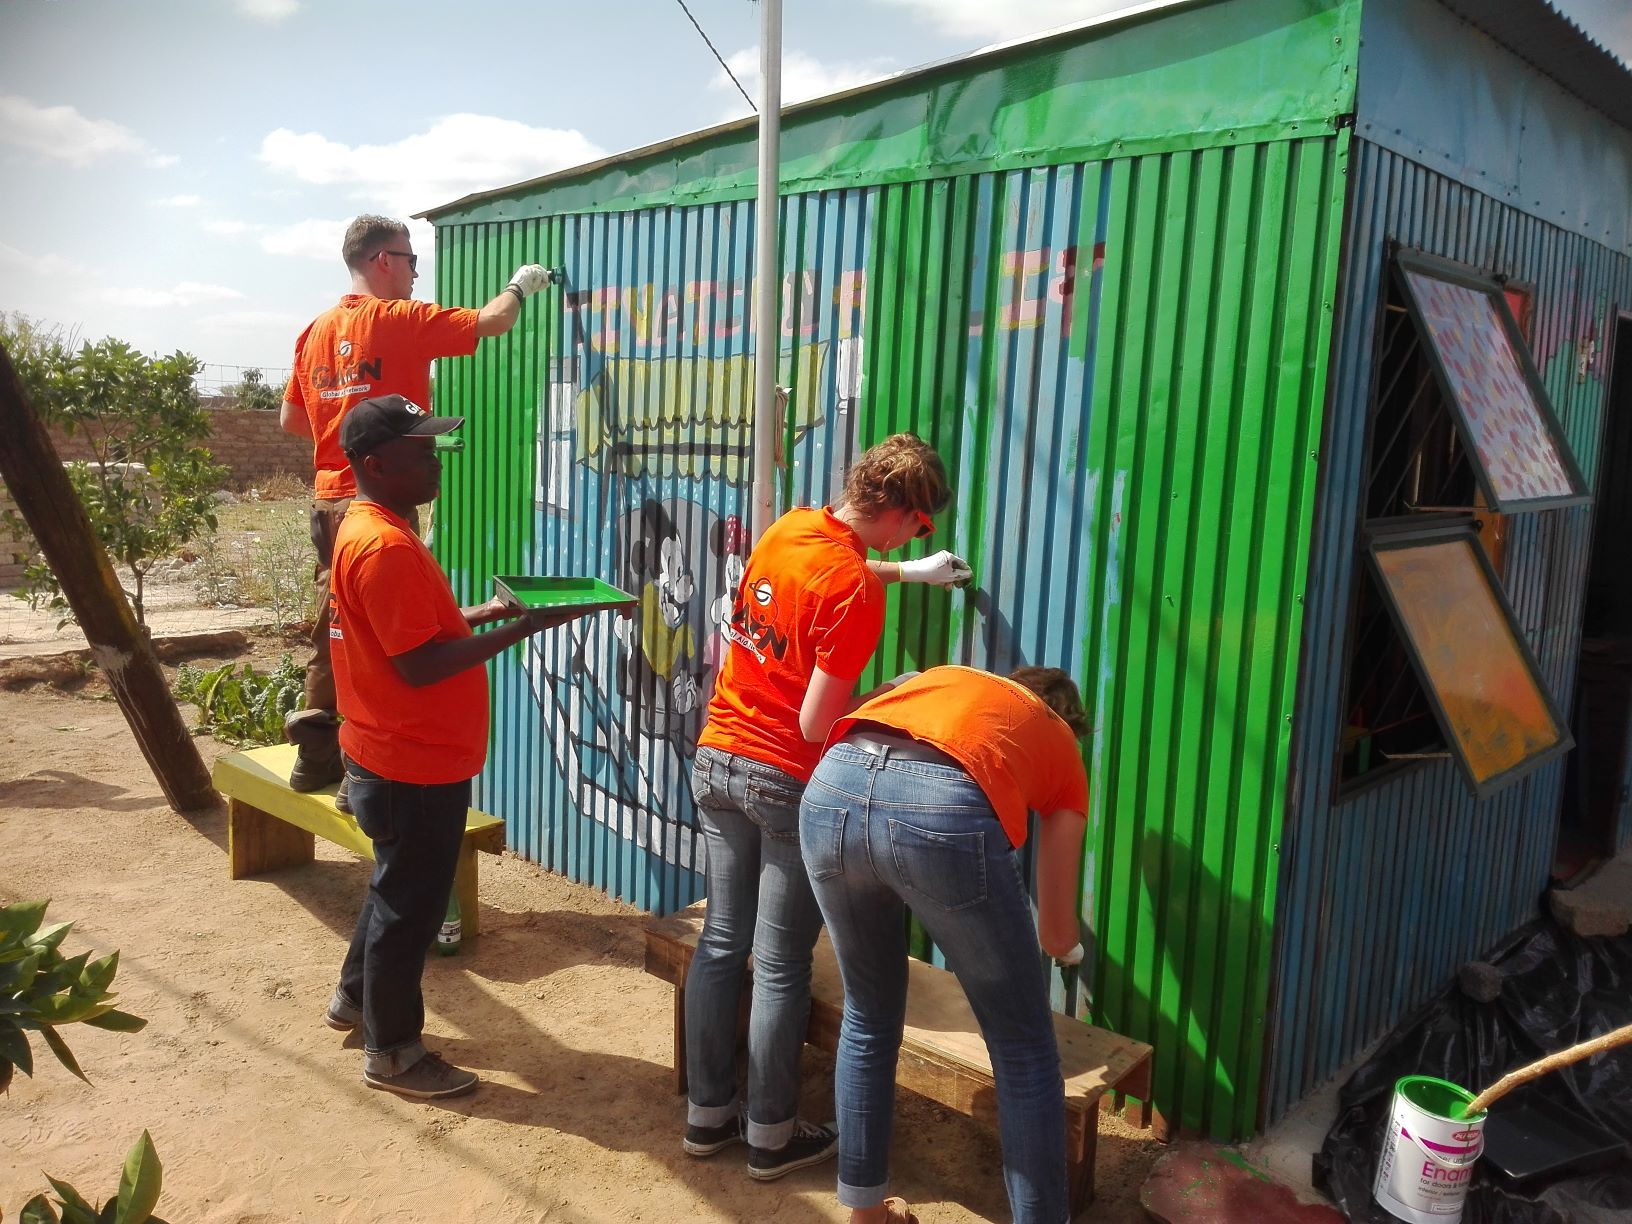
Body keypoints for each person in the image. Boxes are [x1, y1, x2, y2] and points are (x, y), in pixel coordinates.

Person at [682, 433, 972, 1181]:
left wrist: (907, 572)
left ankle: (706, 1115)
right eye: (920, 529)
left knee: (721, 942)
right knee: (779, 965)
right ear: (904, 512)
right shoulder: (857, 593)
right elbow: (817, 724)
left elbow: (829, 570)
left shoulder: (791, 527)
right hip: (783, 776)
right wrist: (889, 696)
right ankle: (771, 1136)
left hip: (716, 756)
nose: (915, 540)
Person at [318, 394, 589, 1100]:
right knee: (410, 909)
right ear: (376, 464)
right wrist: (523, 630)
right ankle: (392, 1053)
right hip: (411, 762)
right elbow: (420, 664)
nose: (435, 461)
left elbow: (411, 631)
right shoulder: (384, 546)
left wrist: (493, 611)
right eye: (420, 450)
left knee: (395, 888)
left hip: (392, 749)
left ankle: (355, 998)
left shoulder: (371, 528)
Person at [799, 664, 1090, 1224]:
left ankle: (867, 1217)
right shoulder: (1058, 741)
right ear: (1068, 721)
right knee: (1025, 1051)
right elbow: (1056, 935)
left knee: (868, 1014)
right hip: (940, 807)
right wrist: (1071, 950)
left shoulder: (949, 681)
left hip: (832, 785)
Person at [279, 213, 555, 795]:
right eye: (410, 262)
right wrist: (519, 285)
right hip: (378, 499)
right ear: (383, 260)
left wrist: (343, 434)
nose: (413, 275)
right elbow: (493, 321)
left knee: (338, 628)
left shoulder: (314, 333)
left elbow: (292, 419)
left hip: (329, 499)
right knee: (393, 639)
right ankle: (369, 767)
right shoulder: (397, 318)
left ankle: (315, 753)